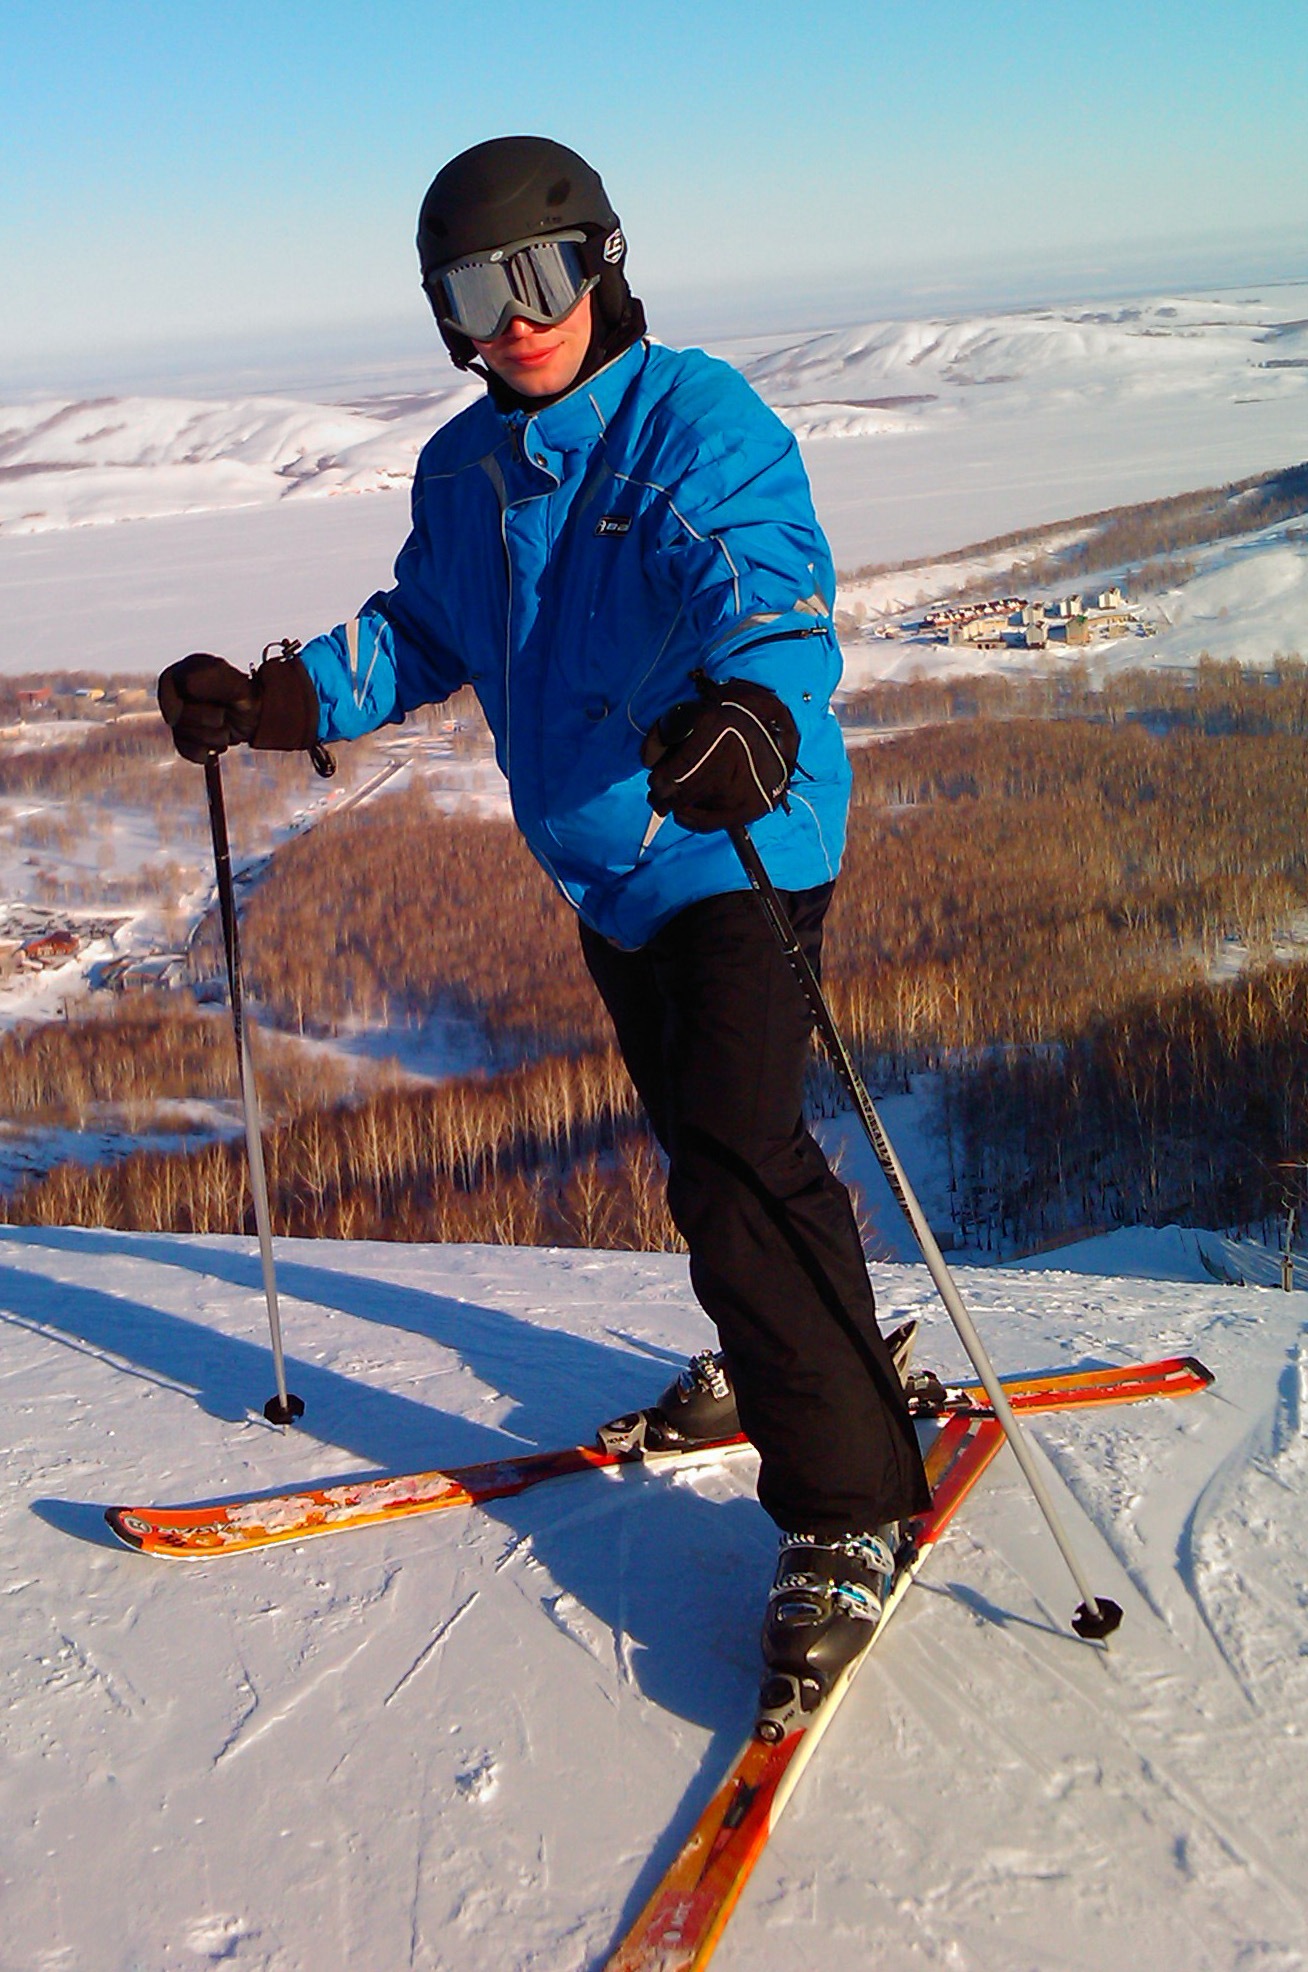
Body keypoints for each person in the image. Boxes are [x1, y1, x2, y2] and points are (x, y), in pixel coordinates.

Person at [158, 135, 930, 1716]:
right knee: (721, 1147)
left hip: (737, 835)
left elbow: (764, 590)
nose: (515, 318)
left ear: (603, 263)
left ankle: (851, 1501)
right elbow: (427, 628)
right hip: (605, 871)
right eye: (473, 291)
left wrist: (756, 709)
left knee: (732, 1157)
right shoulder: (464, 469)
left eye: (541, 274)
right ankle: (799, 1352)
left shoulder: (695, 422)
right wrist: (281, 699)